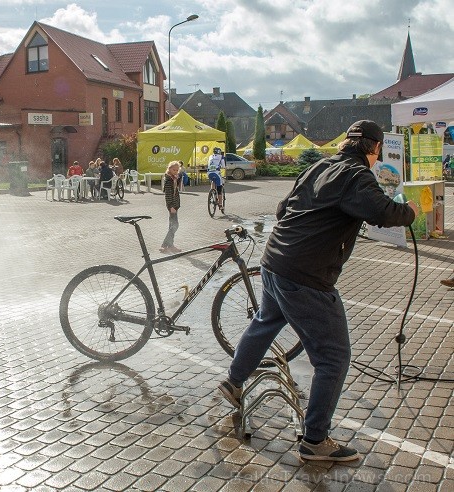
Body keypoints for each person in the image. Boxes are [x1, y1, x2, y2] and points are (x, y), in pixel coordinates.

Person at [218, 120, 418, 462]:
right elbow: (382, 212)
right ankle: (315, 441)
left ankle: (234, 381)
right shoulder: (357, 175)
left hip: (274, 262)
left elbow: (282, 209)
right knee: (333, 357)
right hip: (306, 276)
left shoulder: (319, 166)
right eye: (379, 150)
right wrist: (410, 210)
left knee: (266, 320)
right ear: (373, 148)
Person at [159, 161, 182, 254]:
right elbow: (168, 194)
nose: (176, 171)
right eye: (174, 170)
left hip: (175, 205)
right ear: (169, 169)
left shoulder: (174, 178)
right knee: (175, 226)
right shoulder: (169, 180)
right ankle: (165, 245)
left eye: (177, 170)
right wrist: (170, 206)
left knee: (172, 226)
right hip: (172, 206)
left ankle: (170, 246)